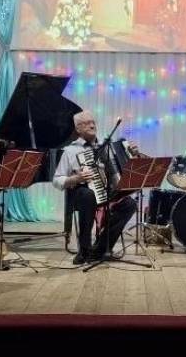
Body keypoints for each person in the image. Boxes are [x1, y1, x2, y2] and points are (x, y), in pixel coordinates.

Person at [52, 111, 138, 265]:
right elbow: (57, 180)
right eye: (86, 123)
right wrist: (75, 178)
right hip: (81, 193)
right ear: (78, 129)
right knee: (88, 195)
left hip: (108, 191)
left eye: (93, 122)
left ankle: (100, 248)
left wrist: (133, 155)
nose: (92, 125)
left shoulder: (108, 147)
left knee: (130, 204)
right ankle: (84, 249)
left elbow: (128, 169)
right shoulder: (70, 151)